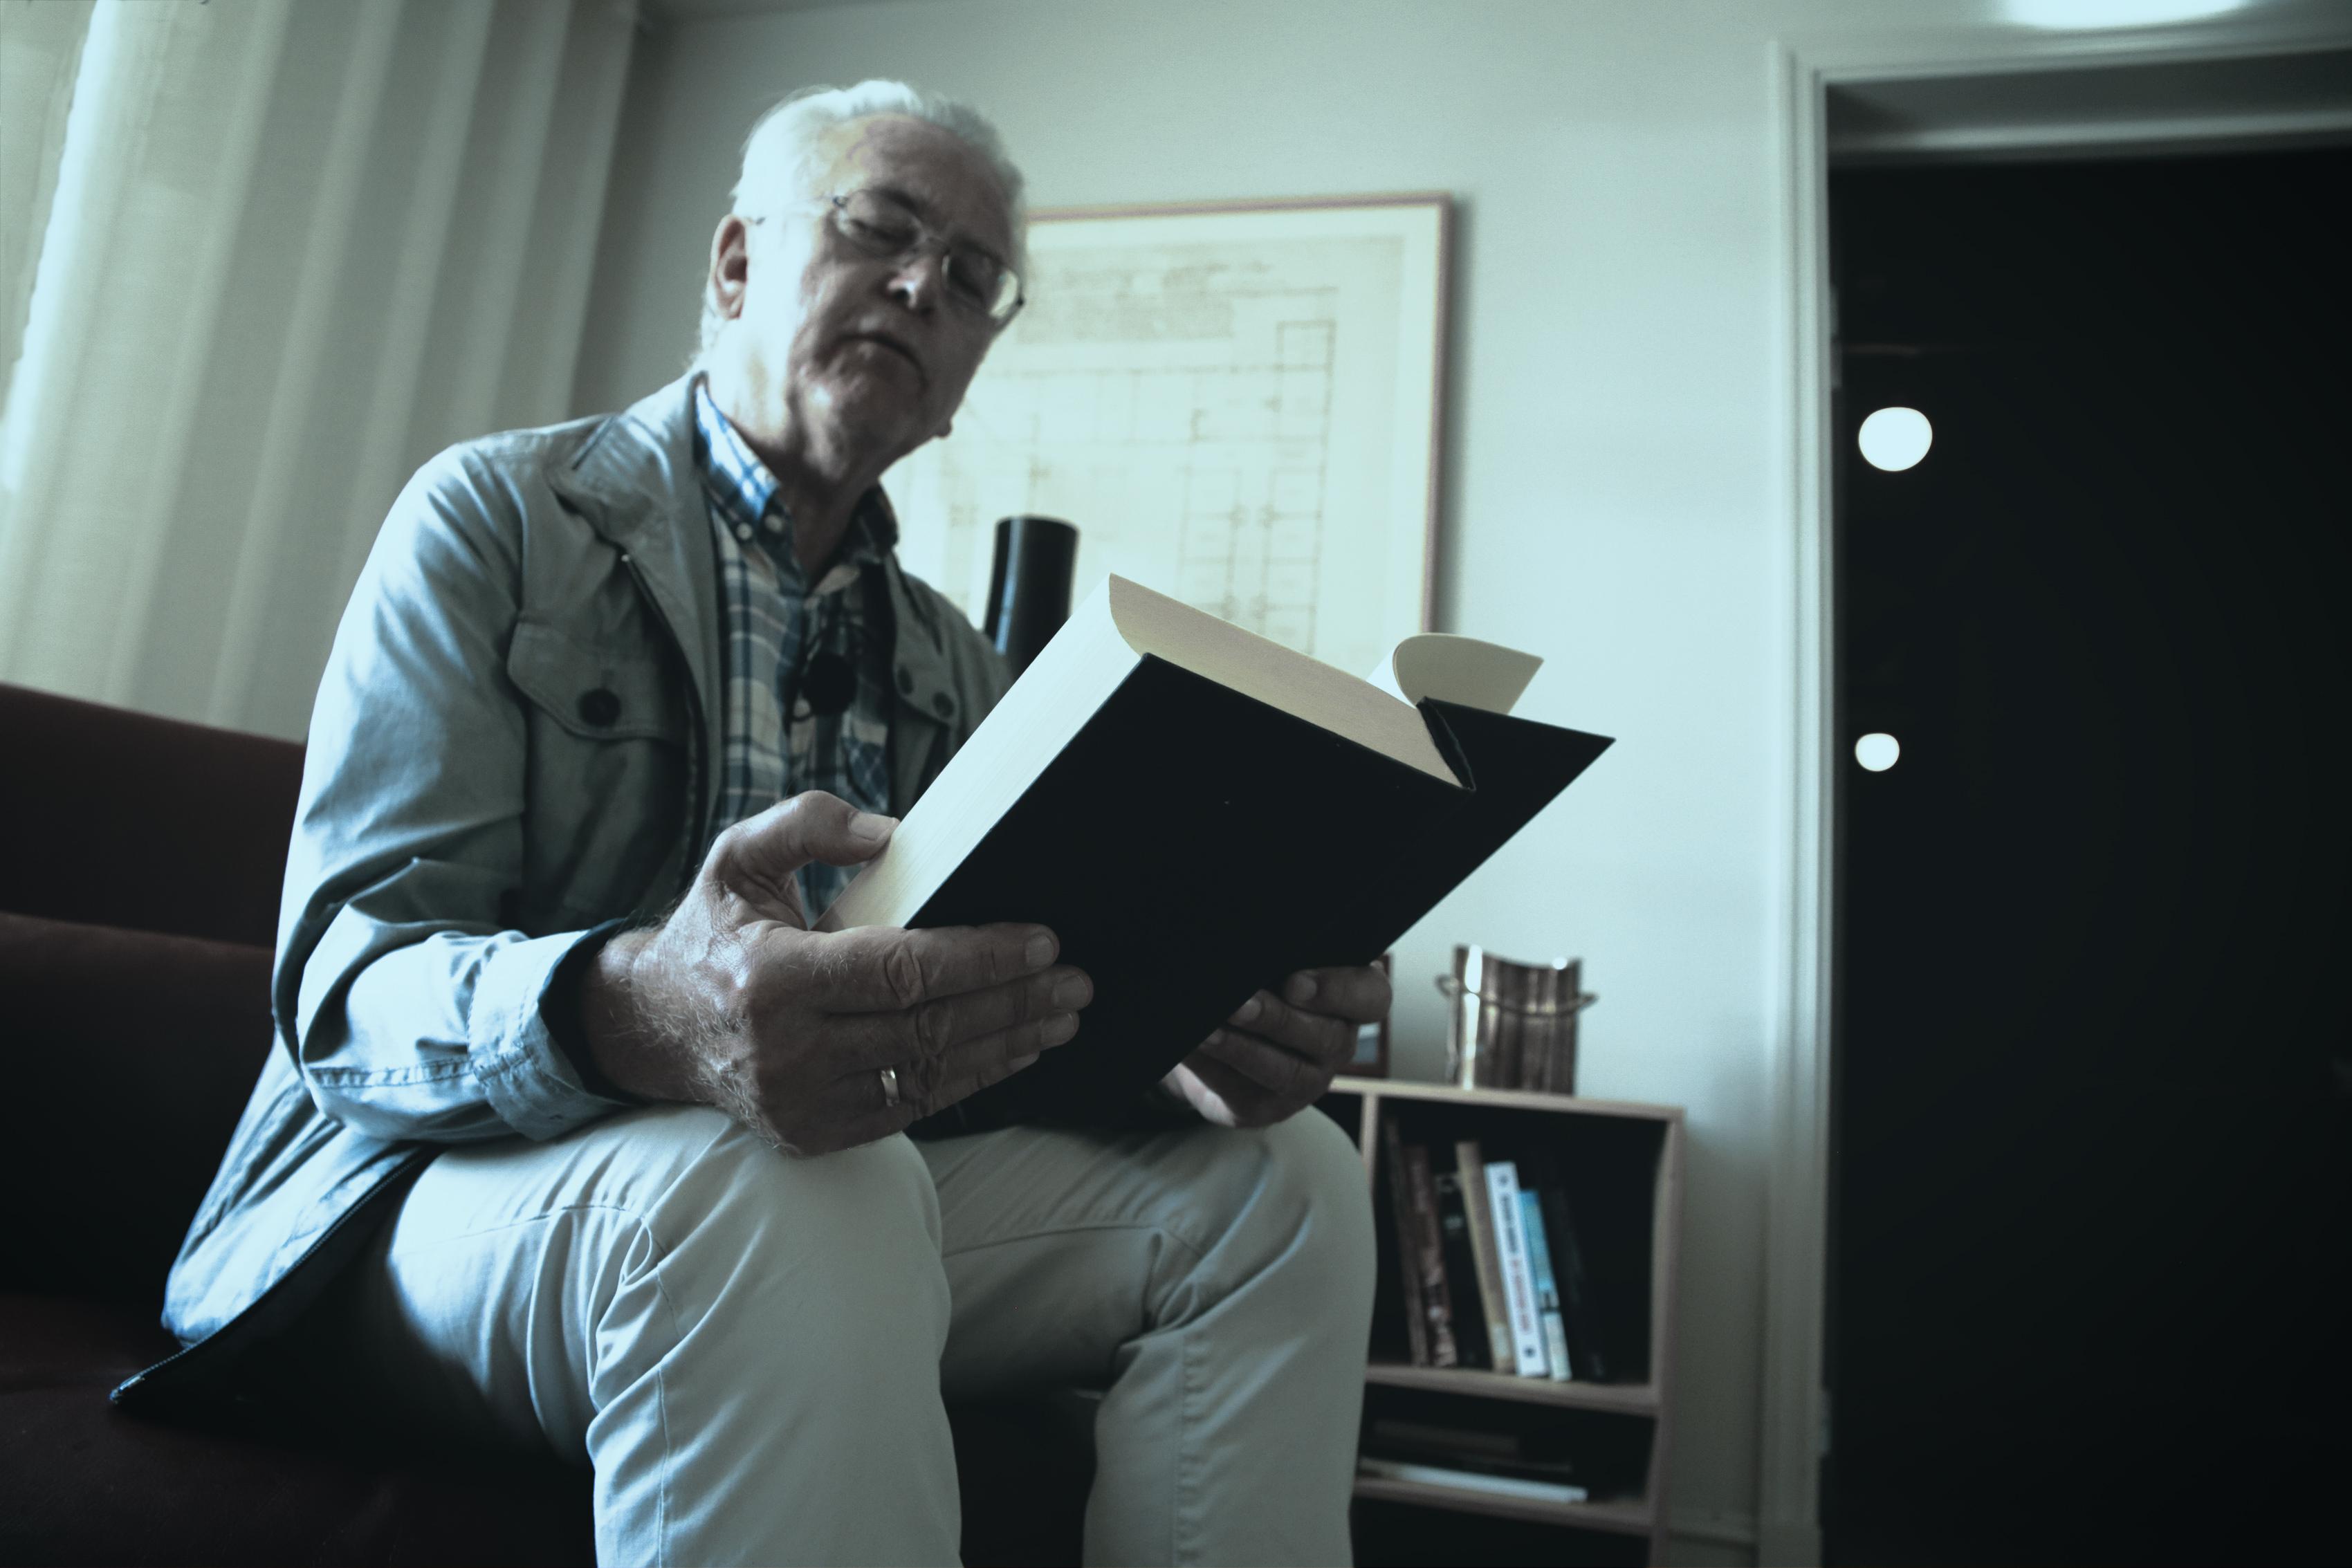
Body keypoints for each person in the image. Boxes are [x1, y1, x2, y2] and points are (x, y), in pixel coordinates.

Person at [144, 80, 1384, 1566]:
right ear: (737, 261)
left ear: (972, 364)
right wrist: (644, 1015)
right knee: (781, 1183)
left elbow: (991, 1036)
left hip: (835, 1185)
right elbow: (347, 1001)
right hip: (415, 1201)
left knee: (1293, 1184)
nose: (923, 285)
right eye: (881, 227)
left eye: (972, 278)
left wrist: (1181, 1043)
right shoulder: (492, 521)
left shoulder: (961, 666)